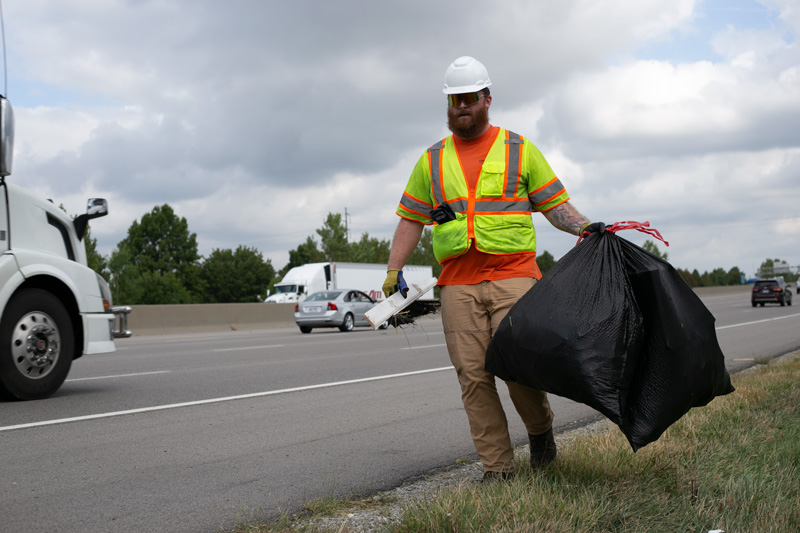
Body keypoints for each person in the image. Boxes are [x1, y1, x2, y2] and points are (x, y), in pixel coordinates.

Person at [382, 56, 604, 482]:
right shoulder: (431, 160)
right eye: (453, 100)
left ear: (487, 100)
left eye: (468, 98)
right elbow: (410, 218)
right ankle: (498, 469)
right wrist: (394, 272)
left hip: (514, 278)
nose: (460, 106)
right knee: (474, 376)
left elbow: (554, 205)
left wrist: (583, 226)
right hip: (457, 284)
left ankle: (540, 433)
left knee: (518, 367)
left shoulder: (519, 149)